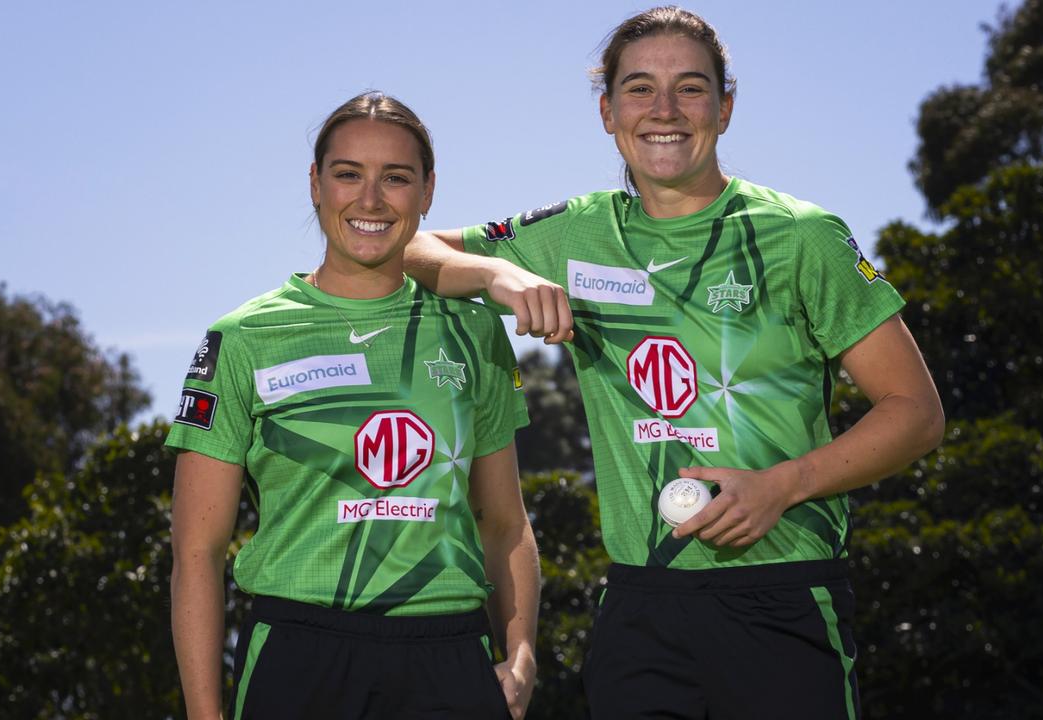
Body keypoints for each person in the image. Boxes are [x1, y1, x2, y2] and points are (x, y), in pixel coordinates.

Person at [404, 6, 945, 719]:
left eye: (690, 89)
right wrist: (500, 278)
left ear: (724, 108)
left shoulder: (802, 236)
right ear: (606, 111)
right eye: (639, 89)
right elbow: (412, 248)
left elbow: (916, 413)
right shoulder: (574, 233)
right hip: (640, 606)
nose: (664, 110)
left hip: (784, 597)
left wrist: (783, 485)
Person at [168, 91, 538, 720]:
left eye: (396, 178)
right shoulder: (241, 338)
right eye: (348, 175)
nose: (371, 200)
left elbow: (504, 521)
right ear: (315, 184)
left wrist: (522, 652)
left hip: (450, 654)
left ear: (427, 192)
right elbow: (196, 554)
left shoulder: (475, 333)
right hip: (298, 654)